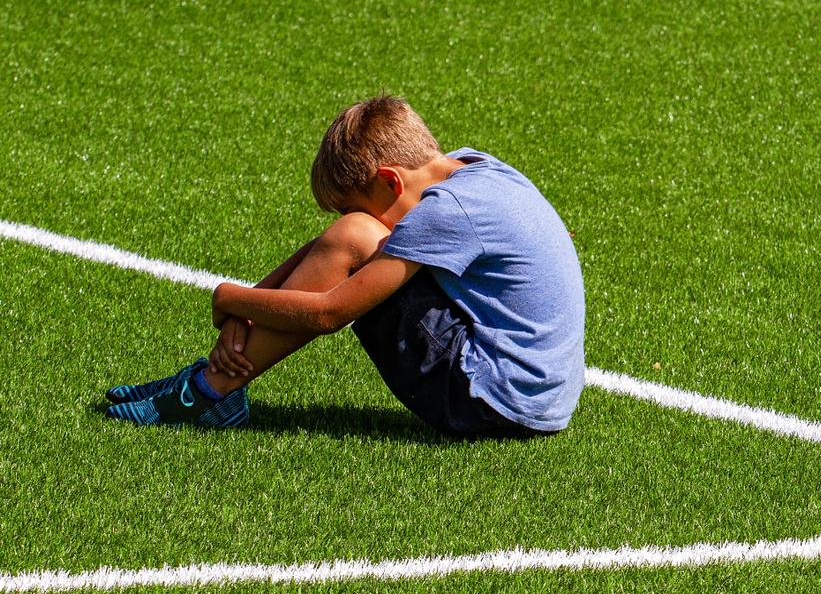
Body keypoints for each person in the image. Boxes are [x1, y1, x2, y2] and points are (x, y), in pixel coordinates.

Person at [104, 95, 586, 439]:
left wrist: (226, 297)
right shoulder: (475, 166)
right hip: (541, 397)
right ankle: (212, 382)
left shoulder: (447, 211)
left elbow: (329, 313)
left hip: (487, 399)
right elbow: (327, 248)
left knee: (357, 237)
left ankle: (210, 391)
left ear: (390, 182)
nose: (356, 219)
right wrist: (244, 314)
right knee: (354, 238)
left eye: (358, 204)